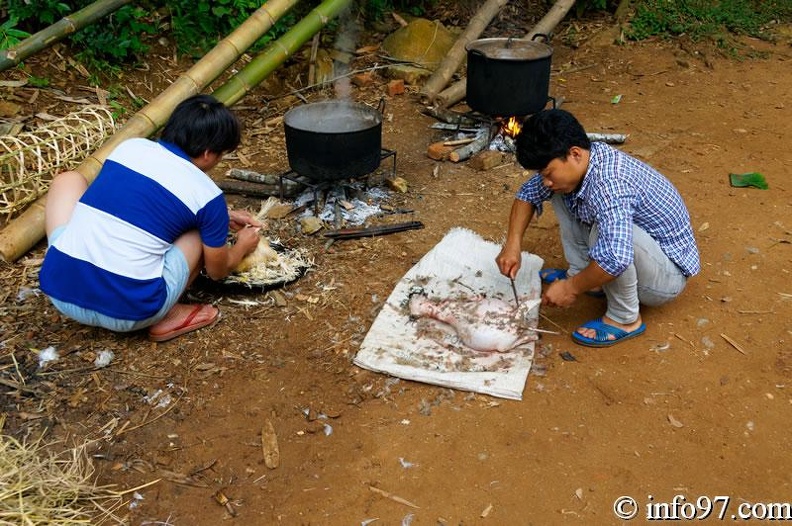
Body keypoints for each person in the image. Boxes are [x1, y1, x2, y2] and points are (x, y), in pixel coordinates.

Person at [39, 94, 262, 342]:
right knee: (197, 235)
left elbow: (134, 201)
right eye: (221, 154)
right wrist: (242, 246)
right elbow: (218, 271)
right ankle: (169, 314)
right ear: (208, 154)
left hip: (60, 293)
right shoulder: (208, 196)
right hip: (129, 313)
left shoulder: (130, 147)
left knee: (68, 180)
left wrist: (223, 216)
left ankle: (69, 263)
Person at [496, 109, 700, 347]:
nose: (545, 181)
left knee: (607, 238)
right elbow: (527, 195)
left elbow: (616, 257)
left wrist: (570, 288)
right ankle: (588, 277)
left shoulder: (610, 184)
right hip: (641, 253)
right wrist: (513, 245)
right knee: (561, 192)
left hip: (666, 278)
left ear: (574, 154)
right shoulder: (582, 163)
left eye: (548, 173)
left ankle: (625, 318)